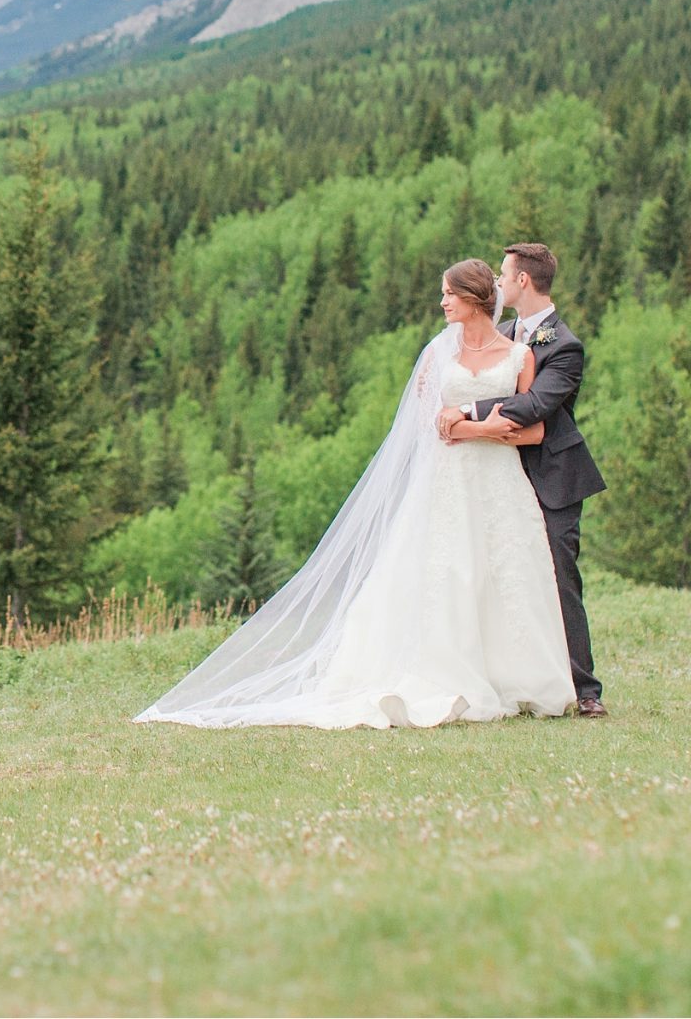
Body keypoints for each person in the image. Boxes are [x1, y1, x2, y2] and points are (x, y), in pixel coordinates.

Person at [133, 258, 574, 729]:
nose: (442, 302)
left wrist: (467, 428)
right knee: (448, 572)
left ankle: (518, 679)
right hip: (450, 482)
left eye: (448, 294)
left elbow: (532, 432)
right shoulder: (438, 356)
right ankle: (451, 673)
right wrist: (479, 427)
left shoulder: (519, 356)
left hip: (501, 483)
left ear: (472, 298)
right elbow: (427, 423)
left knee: (506, 573)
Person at [440, 242, 608, 716]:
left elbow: (535, 407)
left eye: (503, 274)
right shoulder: (507, 333)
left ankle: (585, 689)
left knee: (558, 578)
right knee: (506, 576)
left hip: (552, 474)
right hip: (498, 474)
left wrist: (466, 413)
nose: (496, 281)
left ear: (522, 282)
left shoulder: (565, 345)